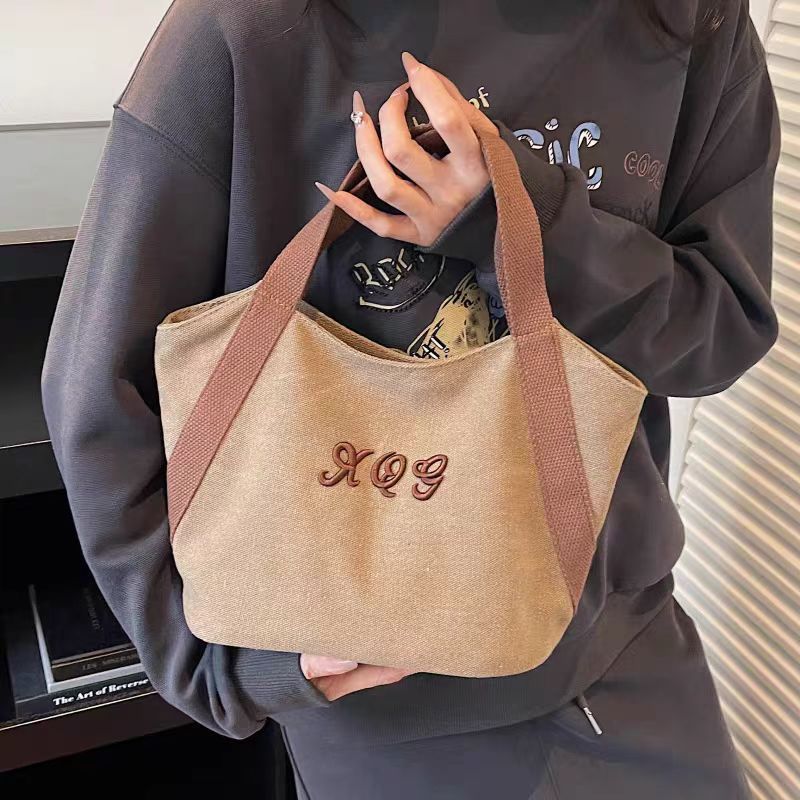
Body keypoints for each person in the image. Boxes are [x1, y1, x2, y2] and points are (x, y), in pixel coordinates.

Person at [42, 1, 779, 797]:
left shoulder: (690, 21)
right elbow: (97, 386)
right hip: (375, 687)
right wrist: (223, 666)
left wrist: (521, 221)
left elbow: (722, 327)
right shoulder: (251, 28)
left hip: (616, 635)